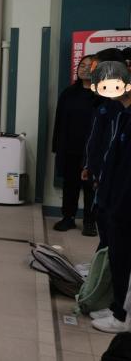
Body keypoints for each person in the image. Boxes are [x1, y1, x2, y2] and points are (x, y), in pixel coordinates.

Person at [88, 61, 131, 334]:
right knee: (117, 256)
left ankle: (123, 316)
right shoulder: (123, 115)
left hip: (124, 204)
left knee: (124, 259)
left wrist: (118, 206)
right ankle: (117, 304)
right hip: (113, 198)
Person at [82, 48, 127, 248]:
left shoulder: (122, 110)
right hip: (102, 180)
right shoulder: (106, 104)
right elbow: (97, 140)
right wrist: (90, 166)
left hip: (117, 188)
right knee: (106, 231)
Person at [52, 55, 99, 235]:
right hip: (70, 148)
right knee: (70, 185)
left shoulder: (101, 96)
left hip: (92, 150)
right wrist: (57, 145)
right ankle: (68, 218)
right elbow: (59, 121)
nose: (84, 69)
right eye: (82, 65)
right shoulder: (68, 93)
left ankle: (89, 222)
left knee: (90, 187)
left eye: (89, 66)